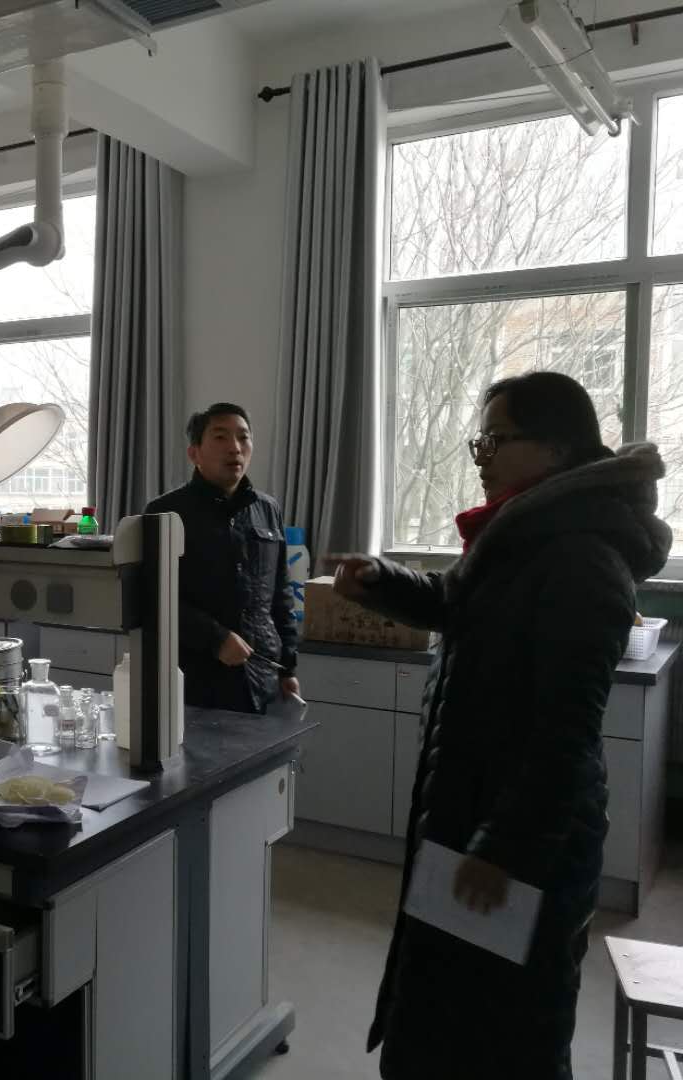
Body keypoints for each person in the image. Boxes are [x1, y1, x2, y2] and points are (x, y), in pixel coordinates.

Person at [332, 372, 670, 1079]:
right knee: (440, 1017)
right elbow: (461, 603)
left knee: (510, 1037)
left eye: (495, 440)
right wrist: (384, 583)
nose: (481, 456)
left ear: (555, 448)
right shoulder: (521, 534)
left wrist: (504, 850)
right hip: (473, 822)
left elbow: (565, 733)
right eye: (479, 441)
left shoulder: (580, 558)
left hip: (520, 846)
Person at [145, 403, 300, 712]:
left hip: (263, 679)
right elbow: (153, 596)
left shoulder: (267, 510)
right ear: (194, 453)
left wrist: (288, 668)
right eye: (220, 437)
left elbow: (280, 596)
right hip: (196, 681)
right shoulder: (164, 513)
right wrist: (215, 638)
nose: (235, 448)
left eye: (243, 437)